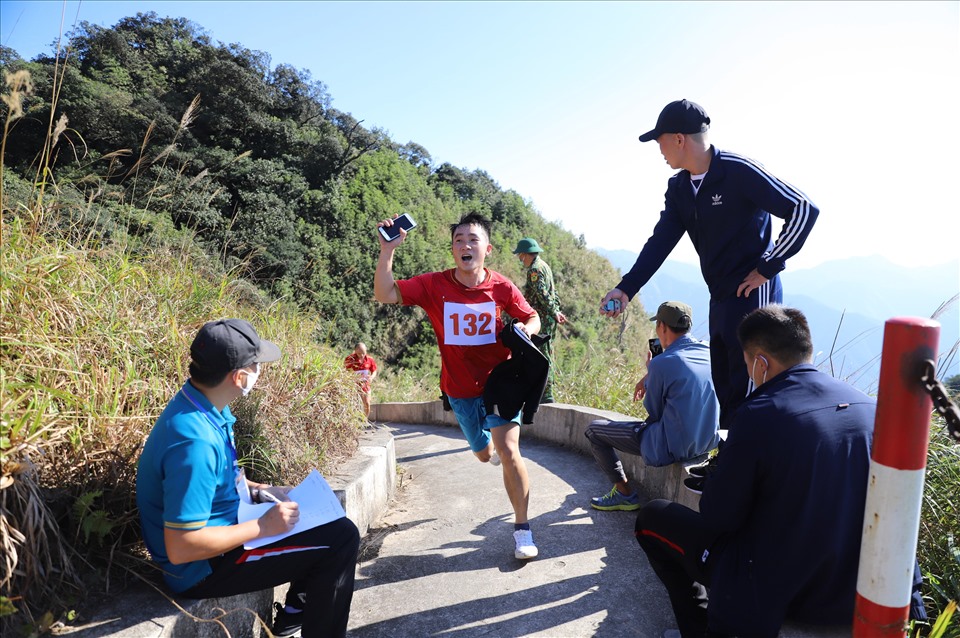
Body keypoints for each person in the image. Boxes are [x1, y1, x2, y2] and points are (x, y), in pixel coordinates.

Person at [633, 306, 926, 637]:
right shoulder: (872, 408)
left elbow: (718, 517)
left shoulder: (758, 414)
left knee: (652, 518)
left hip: (783, 592)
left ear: (760, 363)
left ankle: (698, 629)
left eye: (747, 367)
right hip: (856, 590)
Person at [600, 99, 819, 429]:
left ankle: (750, 469)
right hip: (719, 294)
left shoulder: (738, 170)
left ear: (678, 138)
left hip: (752, 296)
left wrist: (768, 267)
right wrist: (626, 288)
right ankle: (727, 462)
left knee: (751, 384)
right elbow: (660, 242)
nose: (659, 149)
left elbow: (803, 209)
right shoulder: (679, 189)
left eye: (660, 140)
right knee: (726, 382)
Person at [136, 319, 360, 638]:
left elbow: (217, 480)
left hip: (226, 532)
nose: (259, 370)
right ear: (239, 377)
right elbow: (181, 547)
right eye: (255, 365)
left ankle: (294, 616)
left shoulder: (201, 405)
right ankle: (300, 620)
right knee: (340, 540)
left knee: (331, 526)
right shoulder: (195, 442)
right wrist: (263, 527)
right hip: (202, 568)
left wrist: (261, 491)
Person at [374, 212, 543, 560]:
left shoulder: (501, 286)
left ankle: (523, 528)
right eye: (459, 240)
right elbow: (385, 293)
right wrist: (387, 251)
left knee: (511, 452)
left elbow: (531, 316)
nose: (465, 245)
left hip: (502, 383)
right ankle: (487, 450)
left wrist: (528, 329)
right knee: (485, 455)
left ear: (488, 249)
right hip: (459, 388)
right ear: (453, 250)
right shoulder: (434, 285)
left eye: (473, 239)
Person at [585, 301, 719, 511]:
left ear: (662, 327)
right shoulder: (709, 352)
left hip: (672, 447)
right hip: (706, 442)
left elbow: (655, 413)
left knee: (594, 430)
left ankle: (624, 493)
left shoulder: (661, 363)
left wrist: (652, 372)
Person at [512, 237, 567, 403]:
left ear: (526, 254)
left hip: (542, 318)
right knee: (544, 352)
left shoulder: (534, 270)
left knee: (542, 355)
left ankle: (546, 393)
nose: (521, 260)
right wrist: (556, 310)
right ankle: (540, 390)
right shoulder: (545, 266)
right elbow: (553, 293)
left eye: (521, 256)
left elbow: (542, 294)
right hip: (548, 317)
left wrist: (553, 311)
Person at [344, 342, 378, 418]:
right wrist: (350, 377)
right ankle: (354, 420)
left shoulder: (370, 359)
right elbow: (344, 371)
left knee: (367, 403)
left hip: (365, 384)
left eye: (363, 353)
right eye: (359, 353)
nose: (361, 355)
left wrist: (371, 377)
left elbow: (374, 370)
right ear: (355, 351)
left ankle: (364, 420)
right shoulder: (350, 359)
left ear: (366, 350)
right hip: (353, 385)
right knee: (354, 404)